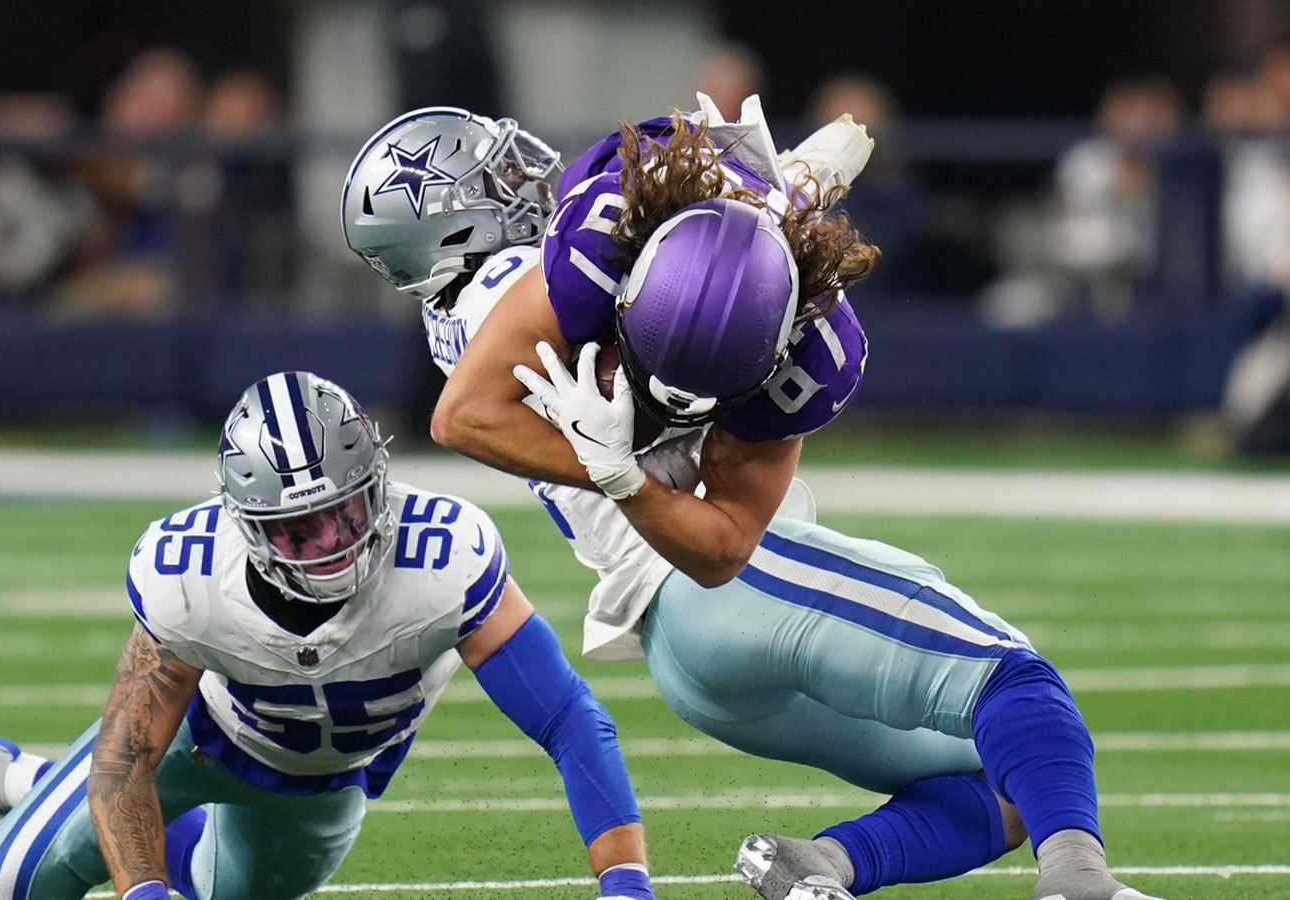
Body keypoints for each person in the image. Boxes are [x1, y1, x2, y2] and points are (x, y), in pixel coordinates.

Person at [342, 104, 1166, 900]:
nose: (526, 175)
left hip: (683, 655)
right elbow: (700, 284)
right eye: (497, 173)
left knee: (1006, 784)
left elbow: (704, 258)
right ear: (455, 219)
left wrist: (782, 188)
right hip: (729, 584)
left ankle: (824, 866)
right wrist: (782, 189)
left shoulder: (463, 319)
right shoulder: (526, 277)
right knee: (1018, 685)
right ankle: (1083, 886)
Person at [0, 371, 657, 900]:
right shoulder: (190, 580)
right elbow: (126, 761)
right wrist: (140, 897)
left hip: (321, 786)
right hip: (197, 749)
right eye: (302, 530)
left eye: (344, 513)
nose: (333, 545)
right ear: (250, 527)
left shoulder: (445, 555)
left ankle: (12, 778)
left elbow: (571, 722)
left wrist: (628, 891)